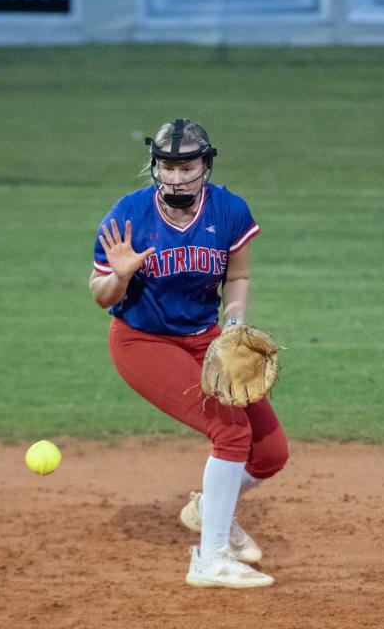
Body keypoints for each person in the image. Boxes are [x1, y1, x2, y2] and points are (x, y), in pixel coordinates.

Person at [89, 118, 288, 589]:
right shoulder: (129, 215)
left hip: (206, 341)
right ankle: (210, 558)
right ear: (155, 167)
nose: (177, 176)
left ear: (205, 165)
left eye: (187, 166)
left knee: (271, 454)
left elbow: (236, 278)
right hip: (143, 342)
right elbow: (100, 294)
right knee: (230, 430)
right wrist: (119, 276)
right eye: (168, 166)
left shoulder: (230, 210)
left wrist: (234, 326)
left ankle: (208, 508)